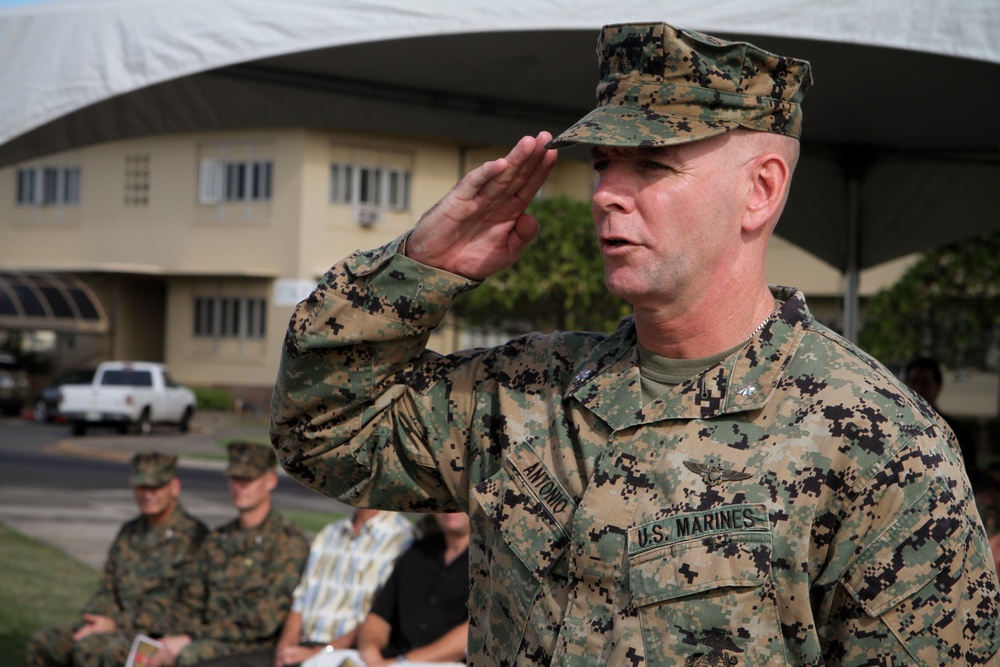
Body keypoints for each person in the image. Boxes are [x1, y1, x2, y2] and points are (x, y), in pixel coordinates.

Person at [269, 20, 1000, 666]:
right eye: (602, 165)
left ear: (761, 190)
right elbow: (322, 434)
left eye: (651, 164)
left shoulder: (881, 443)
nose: (605, 194)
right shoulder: (526, 391)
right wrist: (418, 270)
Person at [25, 452, 208, 667]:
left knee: (92, 650)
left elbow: (182, 606)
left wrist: (116, 623)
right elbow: (108, 586)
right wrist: (96, 617)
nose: (147, 494)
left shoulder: (194, 537)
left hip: (158, 633)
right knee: (44, 642)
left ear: (174, 487)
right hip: (114, 626)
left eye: (156, 487)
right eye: (141, 487)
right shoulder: (130, 532)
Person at [149, 442, 310, 667]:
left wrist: (192, 637)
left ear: (270, 481)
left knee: (188, 656)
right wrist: (171, 637)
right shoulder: (218, 539)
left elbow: (265, 618)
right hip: (208, 638)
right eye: (235, 479)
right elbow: (191, 600)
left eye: (248, 480)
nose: (239, 487)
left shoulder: (287, 541)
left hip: (256, 646)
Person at [193, 509, 416, 667]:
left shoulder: (403, 539)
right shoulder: (331, 533)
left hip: (344, 655)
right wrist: (284, 648)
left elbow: (381, 617)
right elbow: (300, 601)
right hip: (299, 648)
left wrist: (320, 652)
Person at [307, 513, 470, 667]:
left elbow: (469, 634)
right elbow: (379, 617)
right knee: (319, 662)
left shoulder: (488, 562)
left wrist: (401, 662)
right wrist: (372, 656)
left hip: (441, 663)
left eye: (460, 502)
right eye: (446, 501)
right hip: (389, 659)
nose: (451, 508)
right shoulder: (417, 552)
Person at [904, 356, 978, 470]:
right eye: (914, 381)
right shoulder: (896, 426)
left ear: (938, 386)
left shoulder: (956, 433)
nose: (919, 388)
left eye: (925, 382)